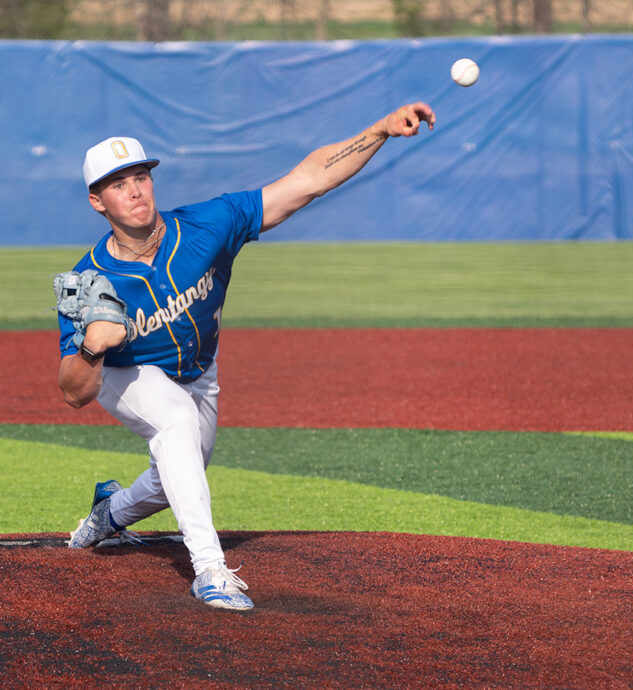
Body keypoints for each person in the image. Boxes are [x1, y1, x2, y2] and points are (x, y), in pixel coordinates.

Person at [57, 102, 436, 610]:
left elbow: (306, 182)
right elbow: (72, 392)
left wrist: (380, 130)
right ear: (97, 201)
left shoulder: (208, 226)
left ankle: (110, 513)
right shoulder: (89, 282)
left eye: (141, 176)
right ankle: (210, 569)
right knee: (173, 423)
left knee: (181, 469)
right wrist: (90, 346)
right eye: (118, 183)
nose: (135, 190)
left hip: (198, 372)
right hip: (126, 376)